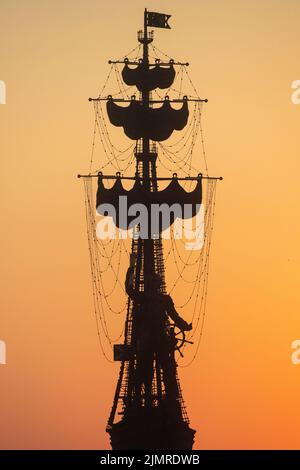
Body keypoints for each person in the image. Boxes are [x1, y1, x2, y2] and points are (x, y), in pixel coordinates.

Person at [125, 253, 192, 407]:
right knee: (145, 369)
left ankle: (169, 398)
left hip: (159, 338)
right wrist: (132, 267)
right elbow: (129, 290)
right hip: (151, 338)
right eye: (152, 285)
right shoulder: (147, 298)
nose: (153, 288)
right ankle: (144, 397)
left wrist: (184, 326)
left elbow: (174, 316)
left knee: (166, 368)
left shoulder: (161, 299)